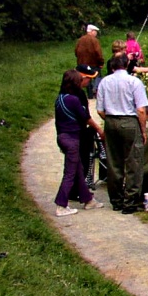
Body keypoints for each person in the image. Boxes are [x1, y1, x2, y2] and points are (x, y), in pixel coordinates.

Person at [95, 55, 148, 213]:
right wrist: (143, 129)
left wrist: (110, 119)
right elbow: (141, 109)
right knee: (134, 161)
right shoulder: (134, 82)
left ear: (112, 66)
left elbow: (99, 109)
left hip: (111, 121)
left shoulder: (105, 81)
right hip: (129, 121)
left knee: (114, 162)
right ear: (126, 65)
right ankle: (130, 201)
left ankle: (116, 199)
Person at [53, 69, 105, 217]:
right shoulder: (74, 100)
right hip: (72, 139)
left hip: (62, 137)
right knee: (69, 173)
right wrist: (99, 130)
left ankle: (88, 200)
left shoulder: (60, 98)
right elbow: (84, 118)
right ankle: (61, 204)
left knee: (78, 169)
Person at [74, 24, 105, 96]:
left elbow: (76, 52)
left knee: (87, 80)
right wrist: (101, 62)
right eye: (95, 31)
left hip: (82, 64)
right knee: (97, 77)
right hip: (94, 63)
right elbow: (98, 53)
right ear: (91, 31)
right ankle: (97, 94)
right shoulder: (95, 40)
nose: (96, 33)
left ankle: (90, 95)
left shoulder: (80, 40)